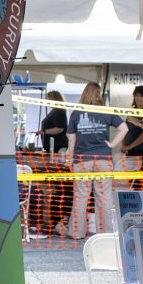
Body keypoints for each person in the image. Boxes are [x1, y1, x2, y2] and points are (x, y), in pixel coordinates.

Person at [56, 82, 128, 240]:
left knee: (81, 197)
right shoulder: (105, 111)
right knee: (104, 197)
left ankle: (76, 232)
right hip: (103, 160)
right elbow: (124, 128)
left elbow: (71, 141)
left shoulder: (76, 113)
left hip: (82, 161)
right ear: (98, 94)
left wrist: (70, 159)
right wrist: (112, 144)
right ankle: (106, 233)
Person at [118, 85, 143, 181]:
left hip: (142, 152)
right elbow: (125, 130)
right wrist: (123, 144)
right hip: (130, 152)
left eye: (142, 96)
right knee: (131, 180)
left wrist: (129, 146)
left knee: (139, 182)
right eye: (136, 95)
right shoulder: (132, 112)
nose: (138, 98)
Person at [40, 90, 68, 154]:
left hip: (58, 147)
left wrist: (44, 131)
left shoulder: (59, 111)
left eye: (48, 99)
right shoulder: (55, 111)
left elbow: (59, 128)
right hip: (53, 147)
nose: (47, 101)